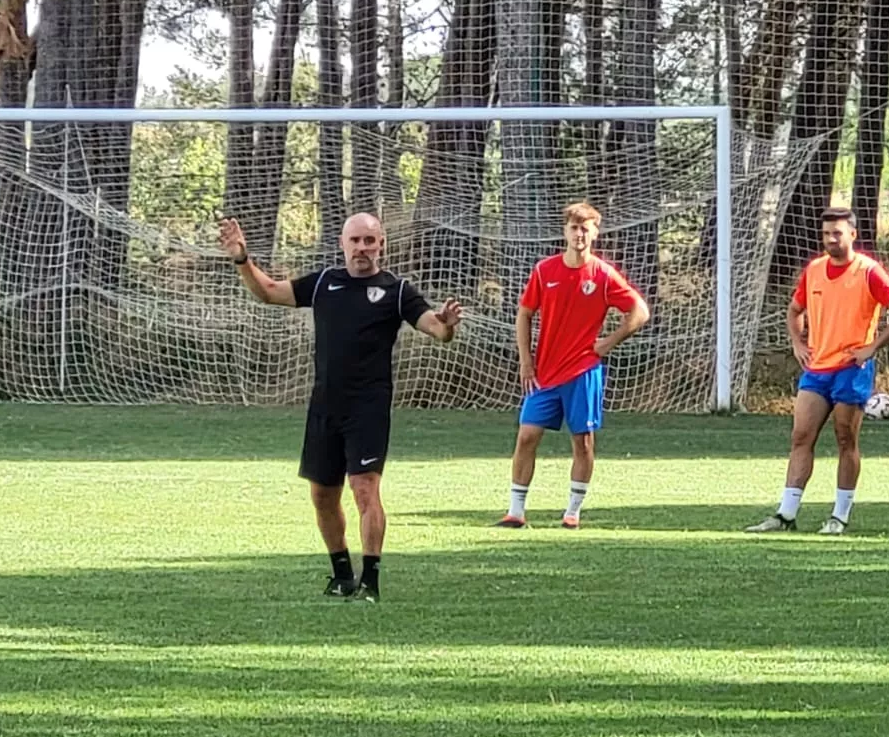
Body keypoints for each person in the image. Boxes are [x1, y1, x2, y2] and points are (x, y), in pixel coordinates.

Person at [217, 211, 462, 602]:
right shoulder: (323, 283)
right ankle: (342, 575)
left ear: (381, 244)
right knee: (322, 495)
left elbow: (436, 329)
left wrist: (447, 323)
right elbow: (268, 291)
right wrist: (242, 259)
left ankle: (371, 582)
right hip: (324, 405)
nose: (362, 248)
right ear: (342, 244)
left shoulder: (397, 291)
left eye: (370, 240)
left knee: (365, 490)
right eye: (355, 241)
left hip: (368, 407)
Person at [746, 208, 889, 535]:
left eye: (837, 233)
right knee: (800, 437)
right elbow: (795, 309)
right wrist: (798, 342)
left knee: (844, 439)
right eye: (826, 234)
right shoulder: (814, 270)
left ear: (852, 234)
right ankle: (786, 514)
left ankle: (839, 515)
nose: (830, 240)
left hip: (852, 369)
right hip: (817, 368)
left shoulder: (869, 271)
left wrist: (872, 347)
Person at [498, 202, 650, 530]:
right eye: (573, 227)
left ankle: (572, 512)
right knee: (526, 436)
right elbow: (524, 313)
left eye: (585, 228)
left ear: (595, 233)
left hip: (583, 372)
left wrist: (609, 342)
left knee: (582, 441)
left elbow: (640, 311)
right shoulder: (545, 271)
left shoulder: (603, 275)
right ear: (565, 231)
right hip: (545, 373)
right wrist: (526, 360)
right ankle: (515, 512)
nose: (579, 234)